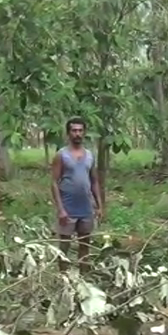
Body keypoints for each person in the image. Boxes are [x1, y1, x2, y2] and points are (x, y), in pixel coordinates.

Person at [51, 117, 103, 272]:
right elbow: (54, 182)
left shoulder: (90, 156)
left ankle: (84, 278)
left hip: (86, 208)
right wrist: (61, 209)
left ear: (84, 133)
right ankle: (64, 278)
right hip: (68, 208)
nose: (77, 134)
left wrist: (99, 206)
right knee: (64, 247)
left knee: (84, 246)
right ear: (68, 133)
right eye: (74, 131)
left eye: (80, 131)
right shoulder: (61, 155)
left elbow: (94, 181)